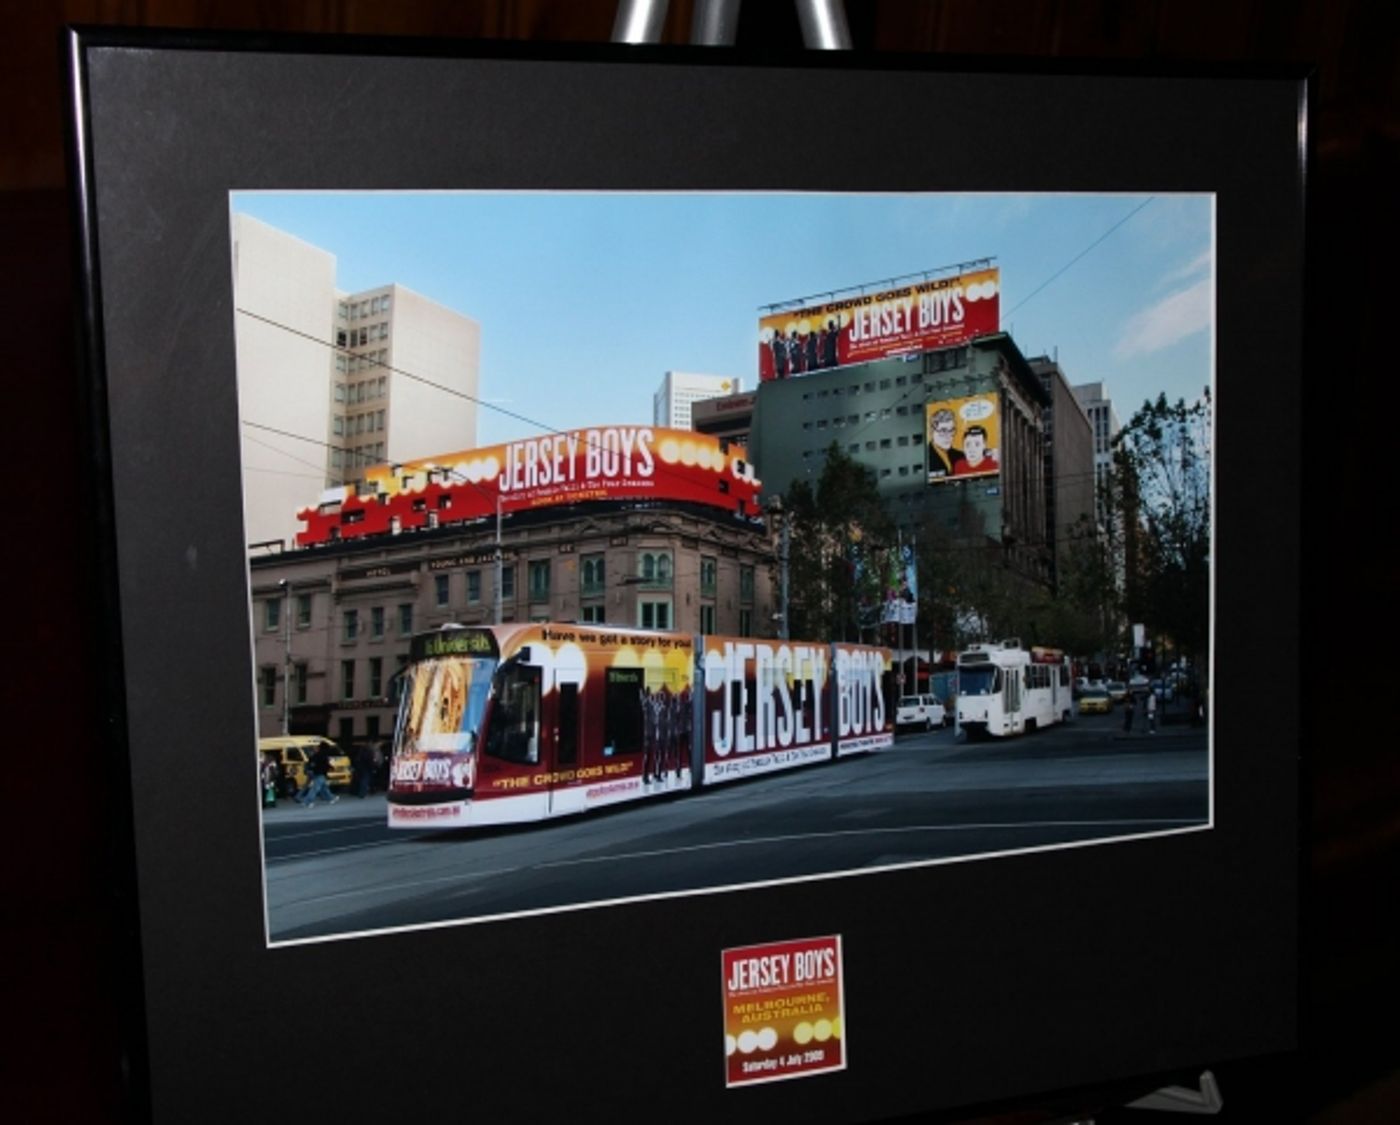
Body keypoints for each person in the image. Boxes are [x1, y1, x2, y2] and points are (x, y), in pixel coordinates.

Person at [926, 408, 964, 479]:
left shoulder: (960, 456)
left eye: (951, 430)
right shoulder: (926, 457)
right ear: (932, 432)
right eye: (943, 431)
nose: (948, 436)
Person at [299, 742, 338, 807]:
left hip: (315, 772)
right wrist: (331, 768)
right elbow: (325, 764)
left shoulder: (316, 755)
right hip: (320, 772)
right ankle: (307, 801)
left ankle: (331, 798)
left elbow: (311, 762)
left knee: (323, 787)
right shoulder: (323, 755)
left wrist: (310, 769)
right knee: (315, 788)